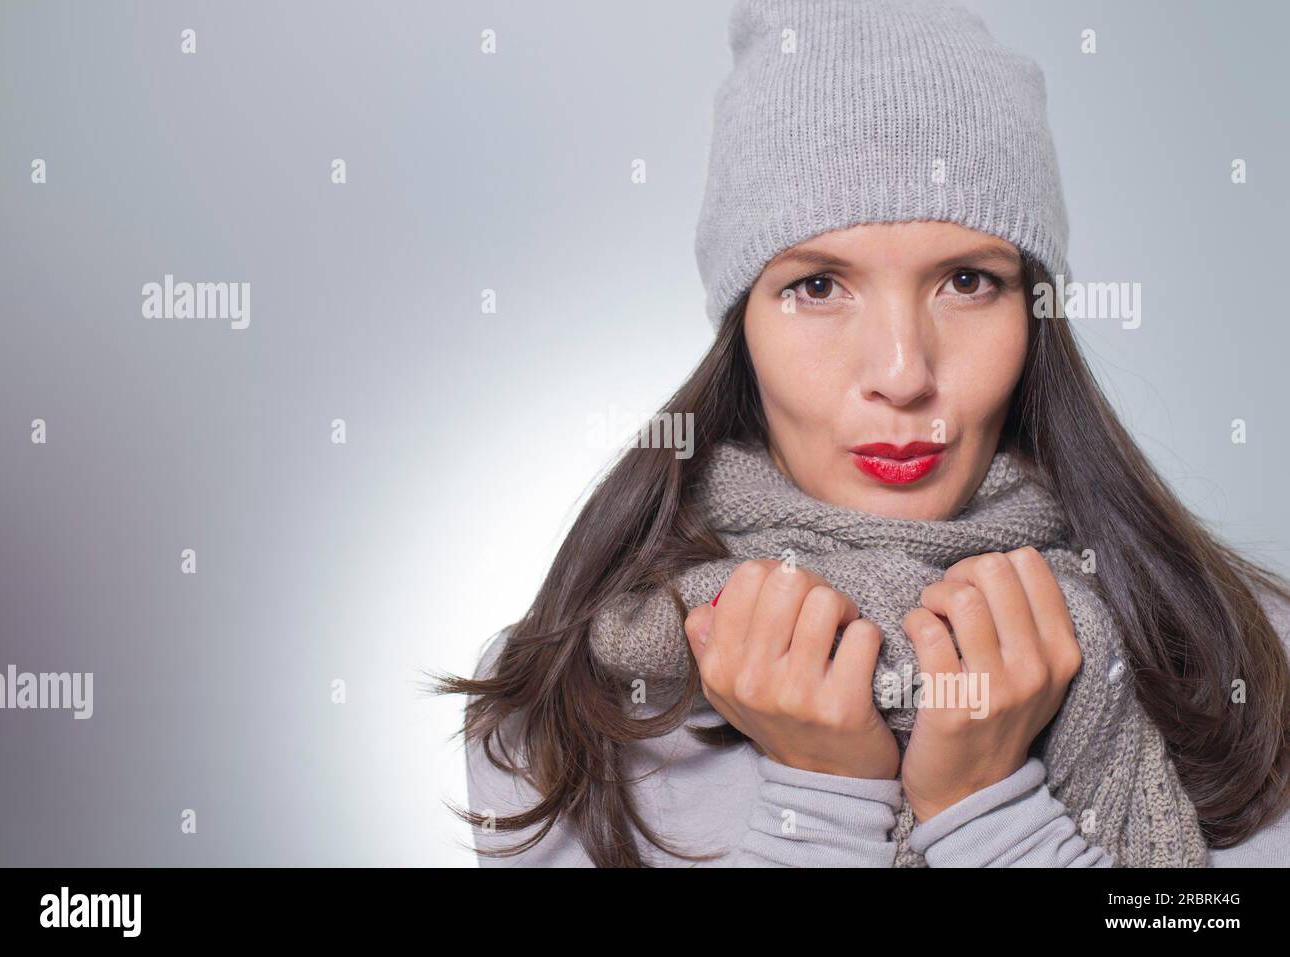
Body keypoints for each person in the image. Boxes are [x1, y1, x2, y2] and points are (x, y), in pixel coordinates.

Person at [433, 0, 1290, 867]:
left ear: (1036, 314)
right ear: (744, 326)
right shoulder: (563, 691)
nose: (902, 370)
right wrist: (825, 797)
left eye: (967, 280)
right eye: (817, 286)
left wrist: (987, 808)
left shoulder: (1243, 650)